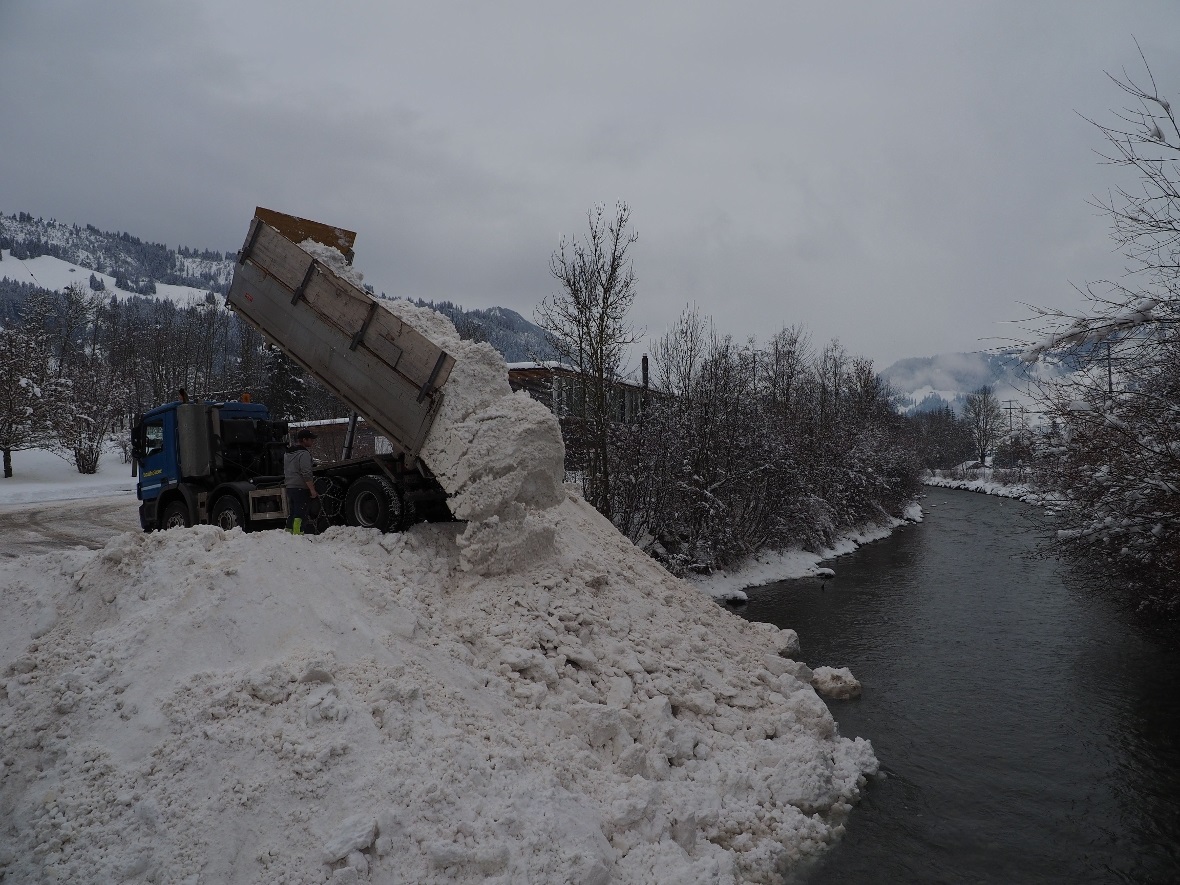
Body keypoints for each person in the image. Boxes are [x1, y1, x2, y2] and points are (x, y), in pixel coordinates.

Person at [284, 428, 319, 534]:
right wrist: (312, 490)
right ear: (304, 440)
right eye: (311, 439)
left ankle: (289, 533)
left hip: (290, 486)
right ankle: (298, 534)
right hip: (300, 487)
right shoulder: (303, 454)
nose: (312, 441)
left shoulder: (288, 453)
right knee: (301, 513)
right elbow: (306, 473)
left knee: (293, 511)